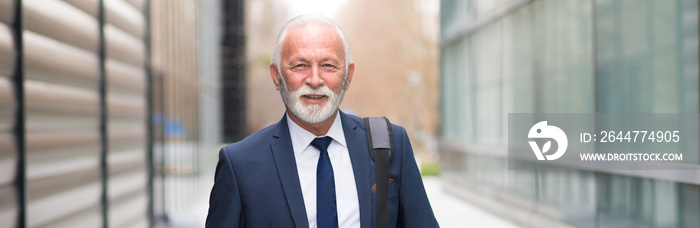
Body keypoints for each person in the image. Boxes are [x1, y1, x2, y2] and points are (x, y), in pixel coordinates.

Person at [206, 14, 439, 228]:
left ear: (348, 76)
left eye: (328, 65)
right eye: (300, 65)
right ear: (277, 76)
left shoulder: (390, 144)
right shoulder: (239, 165)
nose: (315, 80)